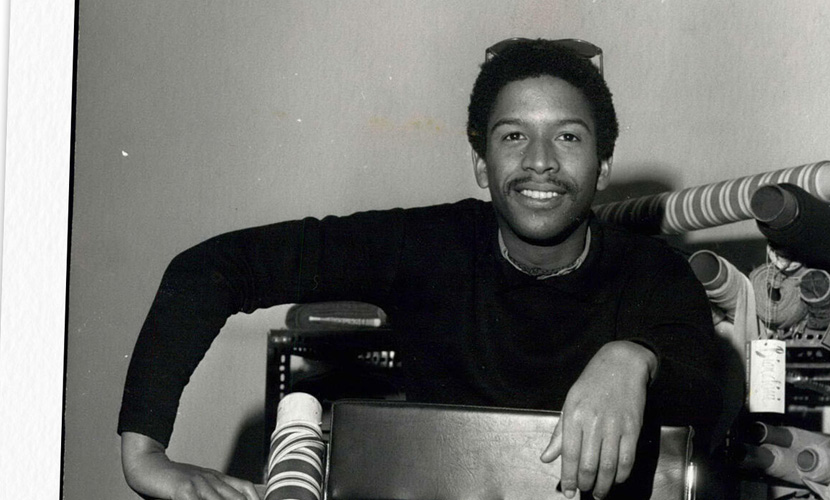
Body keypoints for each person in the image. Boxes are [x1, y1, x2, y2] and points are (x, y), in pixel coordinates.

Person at [118, 38, 731, 500]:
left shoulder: (652, 272)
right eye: (514, 136)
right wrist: (145, 457)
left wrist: (634, 357)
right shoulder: (426, 245)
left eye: (568, 138)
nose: (540, 162)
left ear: (601, 167)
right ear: (481, 164)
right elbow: (211, 269)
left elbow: (704, 388)